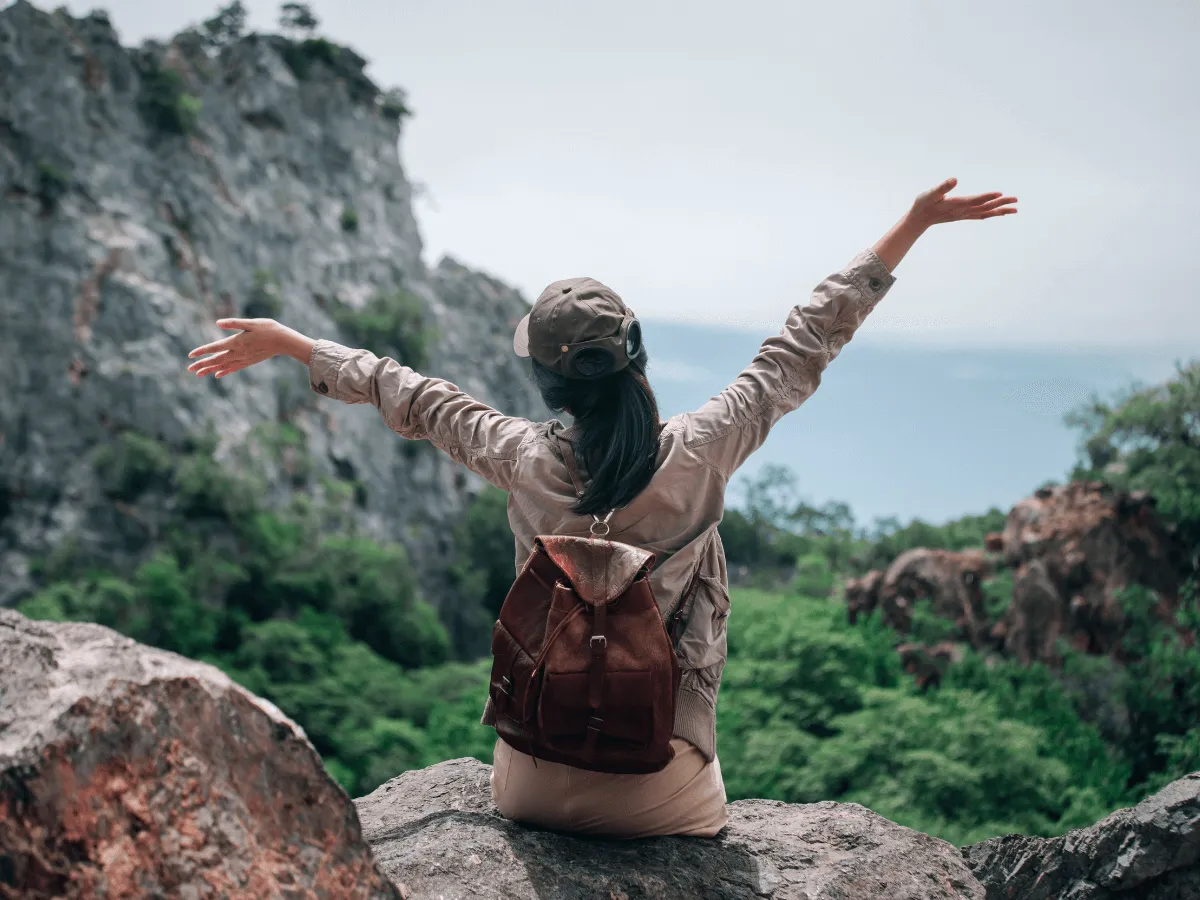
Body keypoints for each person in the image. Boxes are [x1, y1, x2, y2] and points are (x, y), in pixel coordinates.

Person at [187, 176, 1017, 838]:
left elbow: (415, 396)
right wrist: (911, 224)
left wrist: (295, 344)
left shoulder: (517, 456)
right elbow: (802, 343)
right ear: (637, 355)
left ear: (546, 382)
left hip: (528, 783)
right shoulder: (704, 448)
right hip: (662, 789)